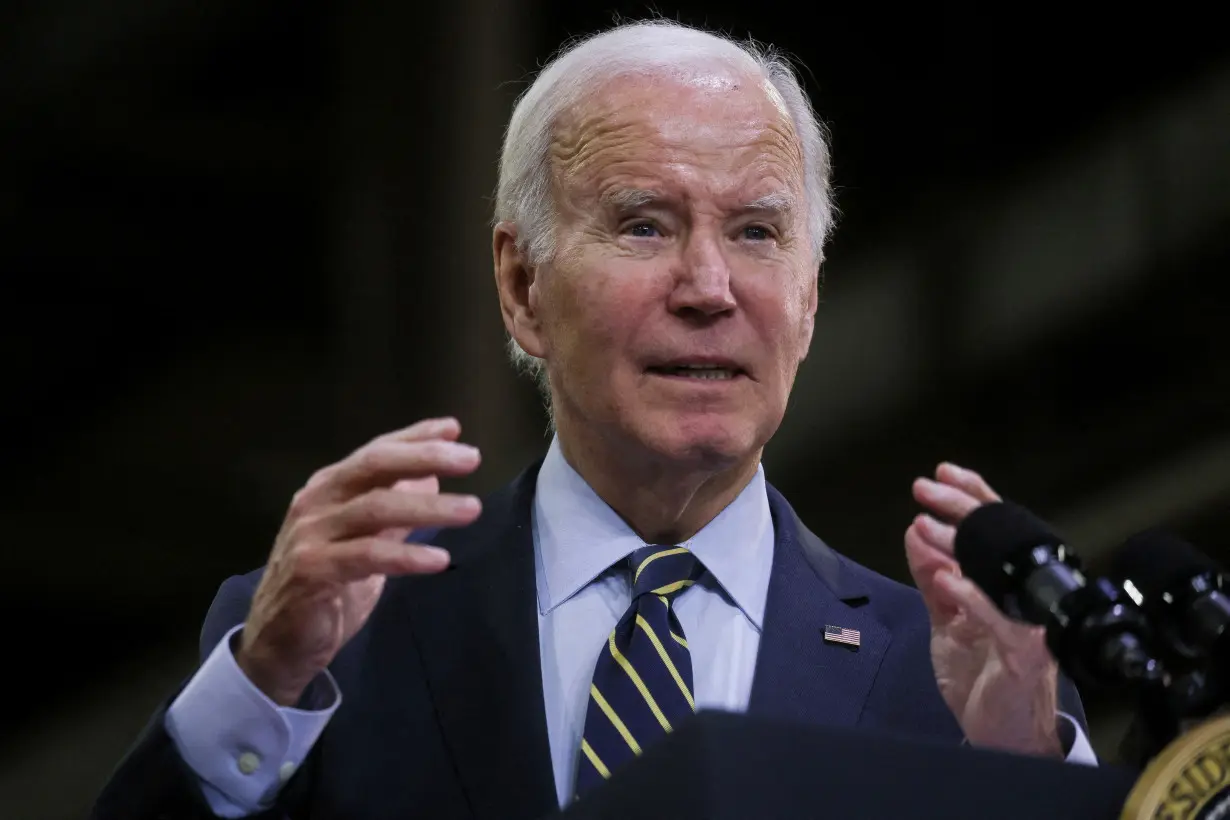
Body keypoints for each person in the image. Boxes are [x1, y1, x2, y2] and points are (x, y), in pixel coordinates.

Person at [91, 20, 1096, 820]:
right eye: (644, 224)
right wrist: (258, 688)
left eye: (756, 232)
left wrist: (1026, 774)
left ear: (810, 298)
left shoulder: (969, 680)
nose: (708, 285)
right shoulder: (321, 638)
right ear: (522, 285)